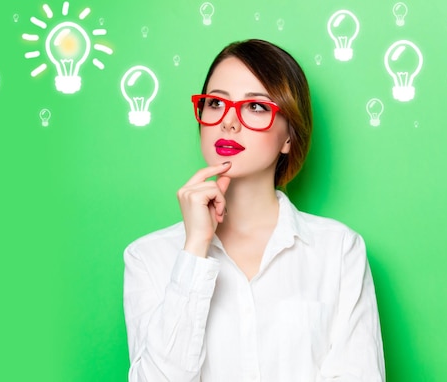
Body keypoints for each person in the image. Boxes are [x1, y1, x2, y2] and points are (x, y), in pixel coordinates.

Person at [123, 39, 385, 381]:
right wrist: (194, 251)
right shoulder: (149, 257)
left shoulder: (338, 251)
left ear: (289, 137)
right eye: (216, 103)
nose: (228, 122)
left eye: (256, 107)